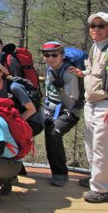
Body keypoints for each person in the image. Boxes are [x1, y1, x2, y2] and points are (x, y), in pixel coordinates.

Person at [72, 12, 108, 203]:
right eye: (93, 25)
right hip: (93, 103)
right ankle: (98, 178)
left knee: (102, 147)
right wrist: (83, 74)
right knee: (91, 144)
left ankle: (101, 189)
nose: (95, 29)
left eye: (101, 26)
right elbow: (95, 71)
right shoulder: (96, 47)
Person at [40, 42, 83, 187]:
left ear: (62, 55)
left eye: (54, 55)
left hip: (68, 111)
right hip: (50, 109)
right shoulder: (50, 69)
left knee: (54, 133)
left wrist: (61, 88)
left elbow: (71, 103)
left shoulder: (69, 73)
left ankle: (60, 173)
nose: (50, 58)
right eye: (46, 55)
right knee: (46, 136)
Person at [0, 59, 44, 137]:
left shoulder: (14, 87)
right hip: (11, 122)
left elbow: (31, 110)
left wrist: (14, 124)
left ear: (1, 72)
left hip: (32, 121)